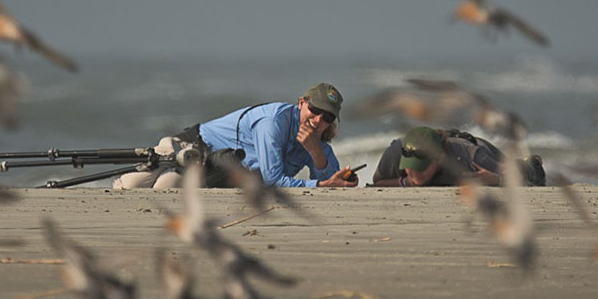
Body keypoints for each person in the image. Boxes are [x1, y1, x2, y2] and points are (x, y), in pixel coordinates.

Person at [113, 83, 358, 189]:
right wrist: (322, 183)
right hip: (189, 149)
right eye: (314, 111)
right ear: (301, 103)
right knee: (131, 187)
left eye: (327, 117)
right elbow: (273, 180)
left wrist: (314, 150)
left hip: (213, 174)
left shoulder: (317, 139)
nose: (317, 121)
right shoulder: (273, 122)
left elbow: (332, 181)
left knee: (167, 188)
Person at [372, 126, 546, 188]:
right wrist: (406, 182)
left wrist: (494, 180)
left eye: (422, 167)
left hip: (480, 148)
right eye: (411, 167)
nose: (415, 175)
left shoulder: (472, 157)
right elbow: (377, 183)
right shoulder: (397, 151)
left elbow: (521, 186)